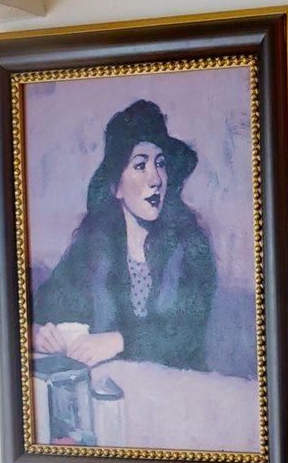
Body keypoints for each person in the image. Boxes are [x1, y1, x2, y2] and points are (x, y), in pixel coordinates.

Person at [35, 99, 219, 371]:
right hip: (114, 389)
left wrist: (119, 341)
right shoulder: (92, 247)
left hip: (178, 393)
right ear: (116, 187)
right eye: (140, 166)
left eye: (161, 164)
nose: (155, 179)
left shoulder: (192, 246)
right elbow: (44, 306)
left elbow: (184, 333)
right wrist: (36, 332)